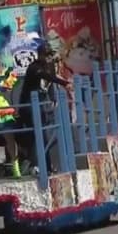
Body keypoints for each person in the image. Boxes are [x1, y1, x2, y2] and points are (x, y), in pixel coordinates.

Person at [17, 41, 71, 174]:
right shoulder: (34, 67)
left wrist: (54, 98)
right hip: (29, 105)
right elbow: (47, 77)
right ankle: (34, 164)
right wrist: (64, 83)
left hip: (41, 104)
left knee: (45, 136)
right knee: (38, 135)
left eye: (50, 55)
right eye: (46, 55)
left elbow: (51, 81)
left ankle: (46, 166)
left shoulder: (49, 66)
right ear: (39, 55)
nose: (48, 58)